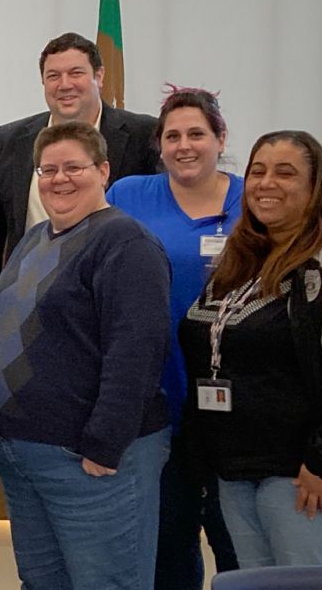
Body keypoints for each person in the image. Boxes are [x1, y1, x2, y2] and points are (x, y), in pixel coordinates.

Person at [179, 131, 322, 568]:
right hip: (236, 467)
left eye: (286, 173)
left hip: (305, 477)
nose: (266, 183)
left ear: (316, 185)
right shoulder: (243, 257)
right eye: (258, 172)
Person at [0, 121, 172, 590]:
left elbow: (136, 352)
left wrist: (104, 446)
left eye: (73, 167)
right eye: (47, 170)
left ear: (103, 170)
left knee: (106, 584)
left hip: (88, 460)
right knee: (43, 583)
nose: (58, 179)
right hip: (24, 452)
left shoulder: (126, 243)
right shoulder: (35, 237)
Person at [106, 87, 243, 588]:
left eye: (197, 134)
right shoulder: (127, 195)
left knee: (238, 543)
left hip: (239, 402)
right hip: (159, 393)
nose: (184, 146)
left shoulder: (253, 199)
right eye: (172, 136)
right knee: (168, 540)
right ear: (159, 144)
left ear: (220, 138)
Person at [0, 32, 159, 320]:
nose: (65, 85)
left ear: (99, 76)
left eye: (76, 73)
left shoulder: (143, 135)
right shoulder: (9, 140)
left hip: (109, 302)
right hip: (26, 306)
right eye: (53, 76)